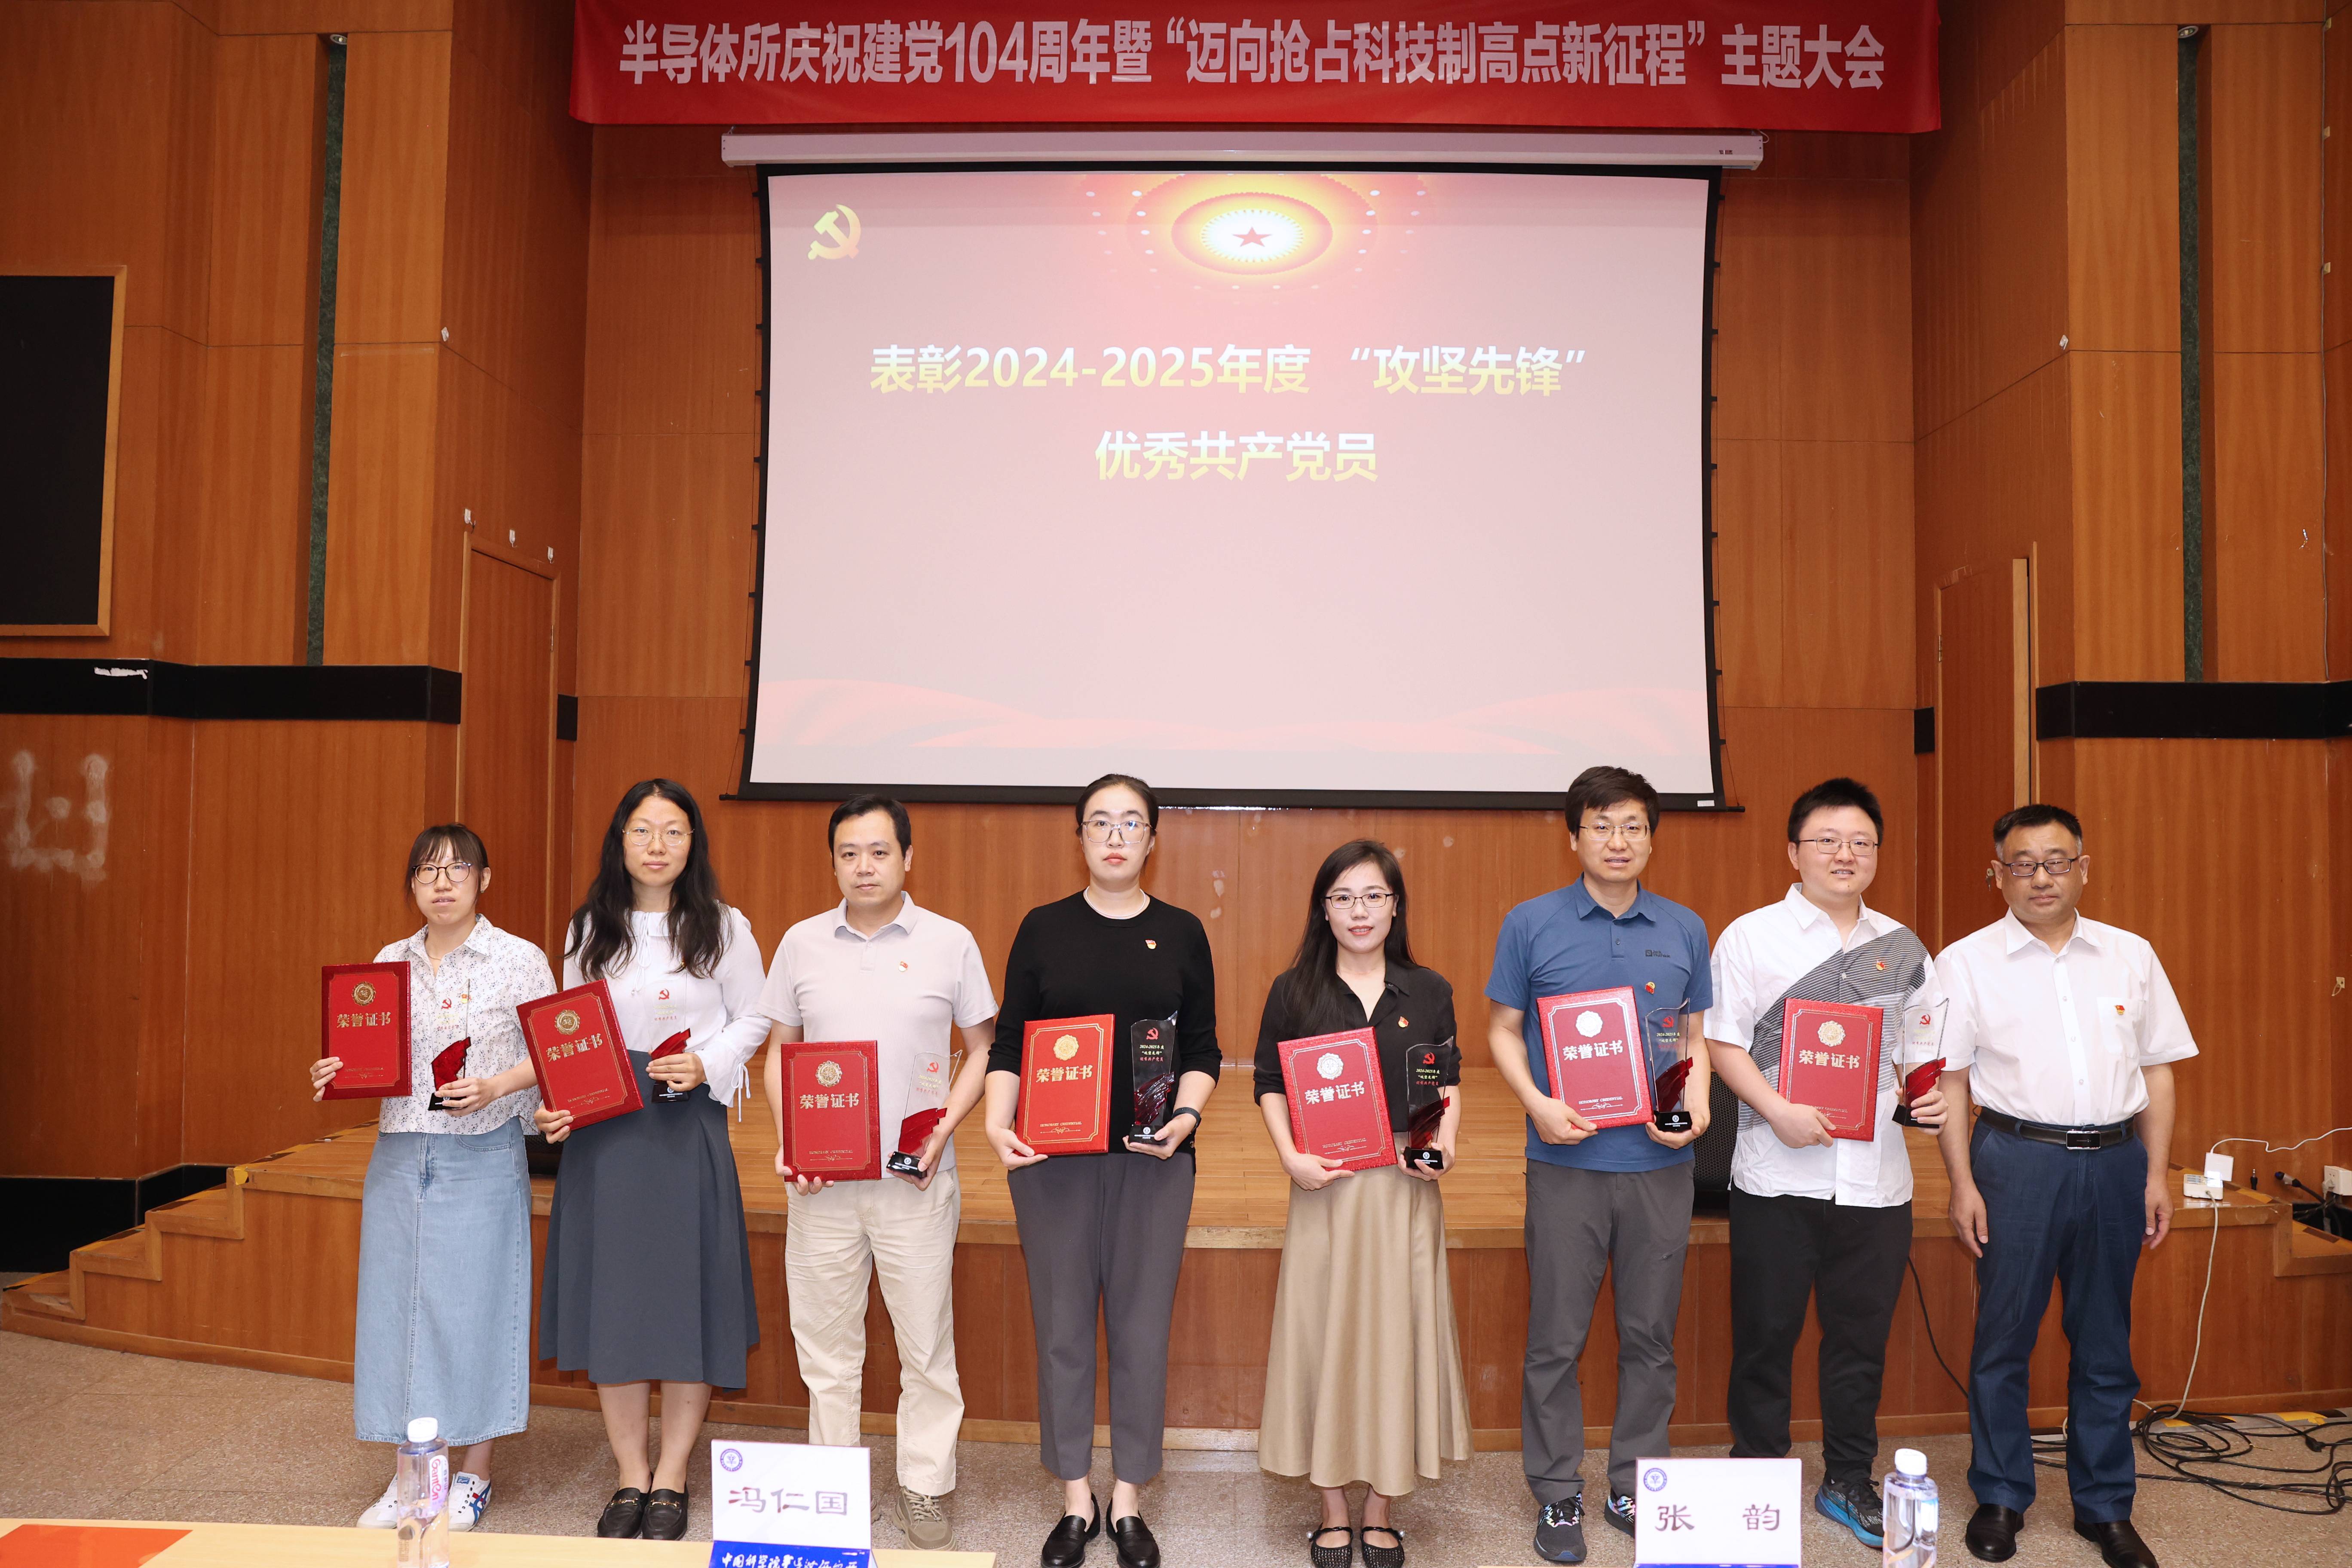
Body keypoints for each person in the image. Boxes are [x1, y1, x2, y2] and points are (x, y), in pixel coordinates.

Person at [1933, 805, 2193, 1568]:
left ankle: (2105, 1506)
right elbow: (1951, 1081)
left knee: (2106, 1342)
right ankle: (2001, 1495)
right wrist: (1961, 1182)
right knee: (2004, 1336)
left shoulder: (2130, 955)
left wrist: (2155, 1173)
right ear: (1997, 874)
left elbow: (2158, 1071)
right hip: (2015, 1161)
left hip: (2116, 1163)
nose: (2040, 877)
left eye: (2056, 861)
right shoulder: (1965, 962)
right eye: (2022, 864)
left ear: (2084, 868)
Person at [1703, 778, 1950, 1550]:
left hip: (1876, 1183)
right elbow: (1722, 1042)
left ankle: (1847, 1478)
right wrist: (1776, 1108)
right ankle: (1757, 1477)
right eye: (1828, 841)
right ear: (1794, 852)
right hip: (1776, 1175)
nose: (1846, 855)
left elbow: (1923, 1052)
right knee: (1764, 1337)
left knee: (1859, 1344)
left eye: (1861, 842)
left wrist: (1928, 1100)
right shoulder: (1751, 937)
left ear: (1876, 853)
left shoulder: (1905, 948)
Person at [983, 774, 1220, 1568]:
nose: (1115, 836)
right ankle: (1075, 1499)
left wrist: (1186, 1118)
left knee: (1141, 1331)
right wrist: (997, 1121)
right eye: (1100, 822)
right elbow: (1011, 1041)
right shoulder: (1043, 928)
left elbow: (1203, 1049)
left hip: (1155, 1162)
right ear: (1080, 836)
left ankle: (1128, 1501)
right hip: (1053, 1163)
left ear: (1153, 839)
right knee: (1062, 1332)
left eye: (1131, 823)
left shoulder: (1182, 932)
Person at [1485, 765, 1713, 1566]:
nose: (1619, 841)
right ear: (1574, 836)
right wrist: (1537, 1104)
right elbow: (1503, 1029)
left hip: (1659, 1166)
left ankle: (1633, 1484)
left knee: (1650, 1336)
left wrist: (1699, 1107)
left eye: (1634, 827)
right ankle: (1557, 1491)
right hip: (1566, 1161)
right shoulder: (1531, 923)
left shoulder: (1685, 927)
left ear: (1652, 837)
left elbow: (1692, 1036)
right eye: (1602, 826)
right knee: (1557, 1336)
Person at [758, 796, 999, 1553]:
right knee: (825, 1349)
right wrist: (793, 1140)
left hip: (914, 1179)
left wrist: (943, 1130)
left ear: (907, 858)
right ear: (833, 862)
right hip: (821, 1185)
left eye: (879, 852)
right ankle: (832, 1490)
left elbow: (984, 1049)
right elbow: (779, 1052)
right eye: (849, 853)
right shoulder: (800, 943)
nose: (864, 866)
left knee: (925, 1346)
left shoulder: (951, 942)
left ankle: (924, 1484)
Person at [535, 780, 769, 1542]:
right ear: (621, 841)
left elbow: (756, 1017)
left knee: (685, 1297)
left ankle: (672, 1475)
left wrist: (707, 1062)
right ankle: (630, 1473)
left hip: (684, 1121)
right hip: (607, 1132)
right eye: (642, 830)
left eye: (673, 830)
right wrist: (561, 1101)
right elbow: (570, 1030)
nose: (658, 844)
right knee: (618, 1300)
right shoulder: (588, 928)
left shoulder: (725, 927)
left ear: (693, 842)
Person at [310, 823, 551, 1534]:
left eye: (457, 869)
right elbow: (371, 1051)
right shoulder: (390, 961)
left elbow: (554, 1052)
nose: (442, 883)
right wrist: (336, 1070)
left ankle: (474, 1473)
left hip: (482, 1151)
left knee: (477, 1308)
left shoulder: (520, 959)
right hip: (399, 1153)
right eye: (427, 871)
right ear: (412, 884)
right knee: (398, 1312)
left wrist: (496, 1085)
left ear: (484, 879)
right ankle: (413, 1473)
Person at [1254, 839, 1470, 1568]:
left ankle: (1381, 1507)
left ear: (1395, 906)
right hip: (1327, 1188)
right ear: (1324, 909)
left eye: (1374, 896)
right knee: (1325, 1334)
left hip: (1405, 1191)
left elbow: (1447, 1083)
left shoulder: (1429, 989)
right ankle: (1332, 1509)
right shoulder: (1294, 990)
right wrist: (1291, 1157)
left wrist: (1443, 1147)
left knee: (1397, 1336)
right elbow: (1269, 1084)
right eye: (1343, 897)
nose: (1360, 911)